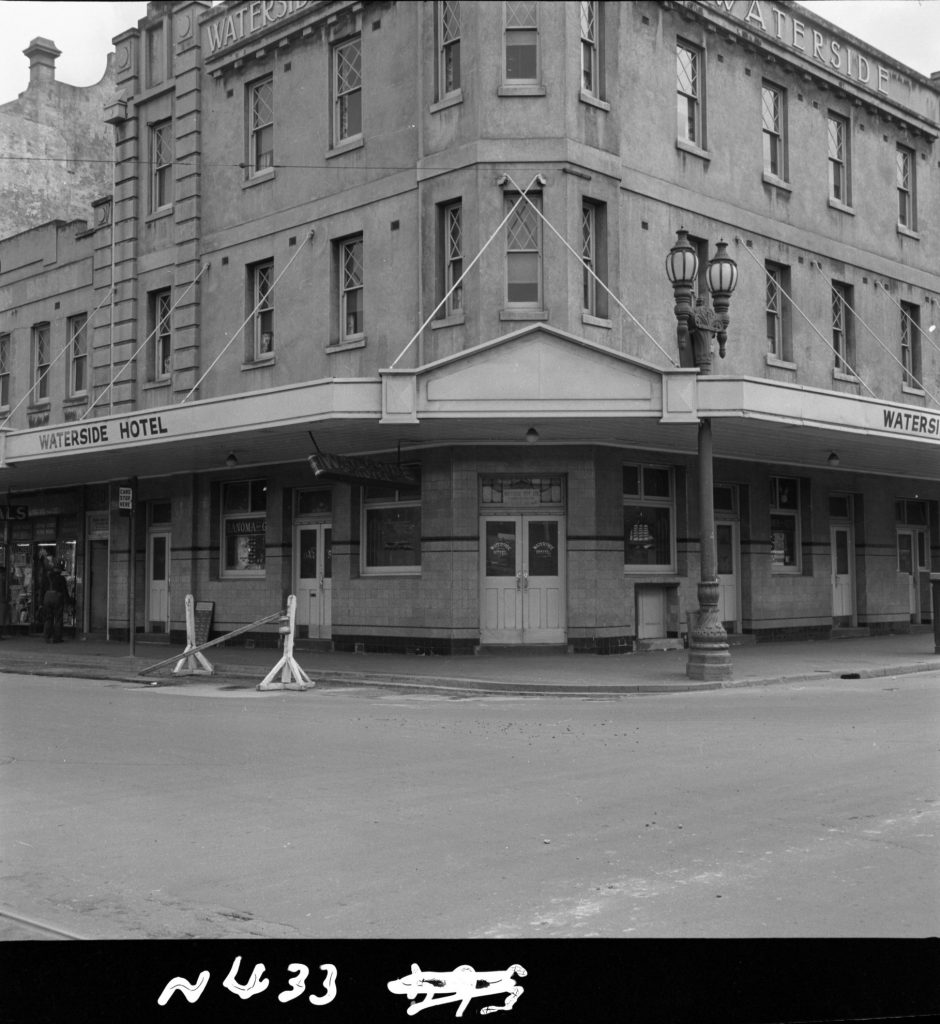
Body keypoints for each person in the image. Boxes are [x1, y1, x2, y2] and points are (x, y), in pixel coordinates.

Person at [43, 560, 68, 643]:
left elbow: (41, 589)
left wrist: (40, 601)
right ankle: (57, 638)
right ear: (60, 570)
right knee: (58, 618)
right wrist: (67, 600)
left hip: (47, 596)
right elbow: (64, 590)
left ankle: (47, 637)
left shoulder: (47, 577)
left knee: (48, 618)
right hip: (57, 597)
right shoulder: (61, 578)